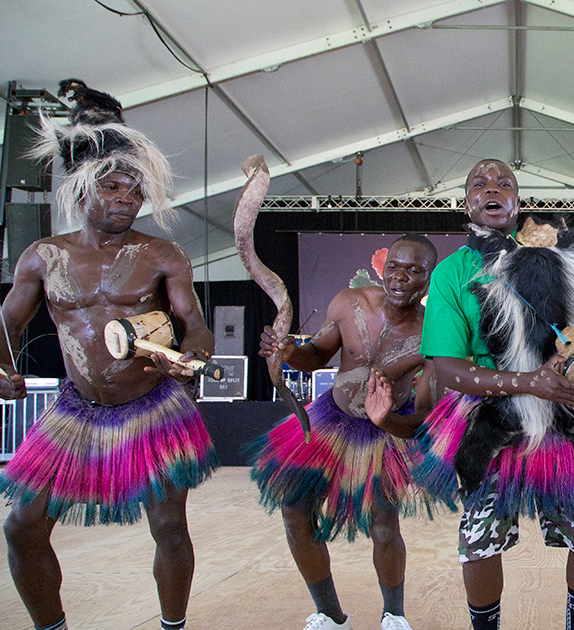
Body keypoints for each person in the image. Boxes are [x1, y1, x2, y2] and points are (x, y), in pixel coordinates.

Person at [0, 80, 216, 630]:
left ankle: (173, 625)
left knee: (169, 527)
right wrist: (1, 365)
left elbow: (195, 328)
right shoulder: (43, 255)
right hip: (78, 409)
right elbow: (6, 323)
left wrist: (187, 360)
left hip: (152, 406)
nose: (125, 199)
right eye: (114, 188)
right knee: (22, 525)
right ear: (83, 191)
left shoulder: (160, 254)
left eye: (134, 192)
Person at [407, 159, 574, 630]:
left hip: (569, 412)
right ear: (467, 203)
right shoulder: (453, 272)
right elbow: (449, 369)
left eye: (503, 182)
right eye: (480, 183)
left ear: (517, 200)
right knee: (478, 541)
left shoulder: (567, 250)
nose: (491, 188)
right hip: (490, 417)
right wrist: (527, 382)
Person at [251, 235, 441, 630]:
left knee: (384, 524)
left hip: (385, 432)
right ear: (383, 266)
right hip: (329, 421)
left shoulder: (433, 333)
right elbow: (316, 355)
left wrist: (386, 419)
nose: (401, 278)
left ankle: (394, 616)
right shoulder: (349, 302)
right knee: (294, 509)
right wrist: (287, 350)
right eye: (395, 267)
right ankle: (330, 615)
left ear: (428, 279)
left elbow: (422, 416)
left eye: (414, 271)